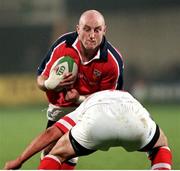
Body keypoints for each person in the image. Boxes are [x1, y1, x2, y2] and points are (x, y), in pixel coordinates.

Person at [36, 9, 124, 169]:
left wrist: (79, 99)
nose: (92, 35)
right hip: (59, 106)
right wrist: (48, 84)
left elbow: (108, 101)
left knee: (67, 151)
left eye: (97, 30)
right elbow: (40, 78)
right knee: (49, 151)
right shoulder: (63, 44)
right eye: (87, 29)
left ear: (104, 30)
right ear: (78, 29)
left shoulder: (112, 62)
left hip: (89, 108)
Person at [4, 90, 172, 170]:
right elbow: (148, 120)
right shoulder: (127, 95)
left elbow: (51, 133)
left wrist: (19, 160)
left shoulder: (89, 103)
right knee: (161, 145)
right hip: (134, 120)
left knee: (56, 153)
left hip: (97, 122)